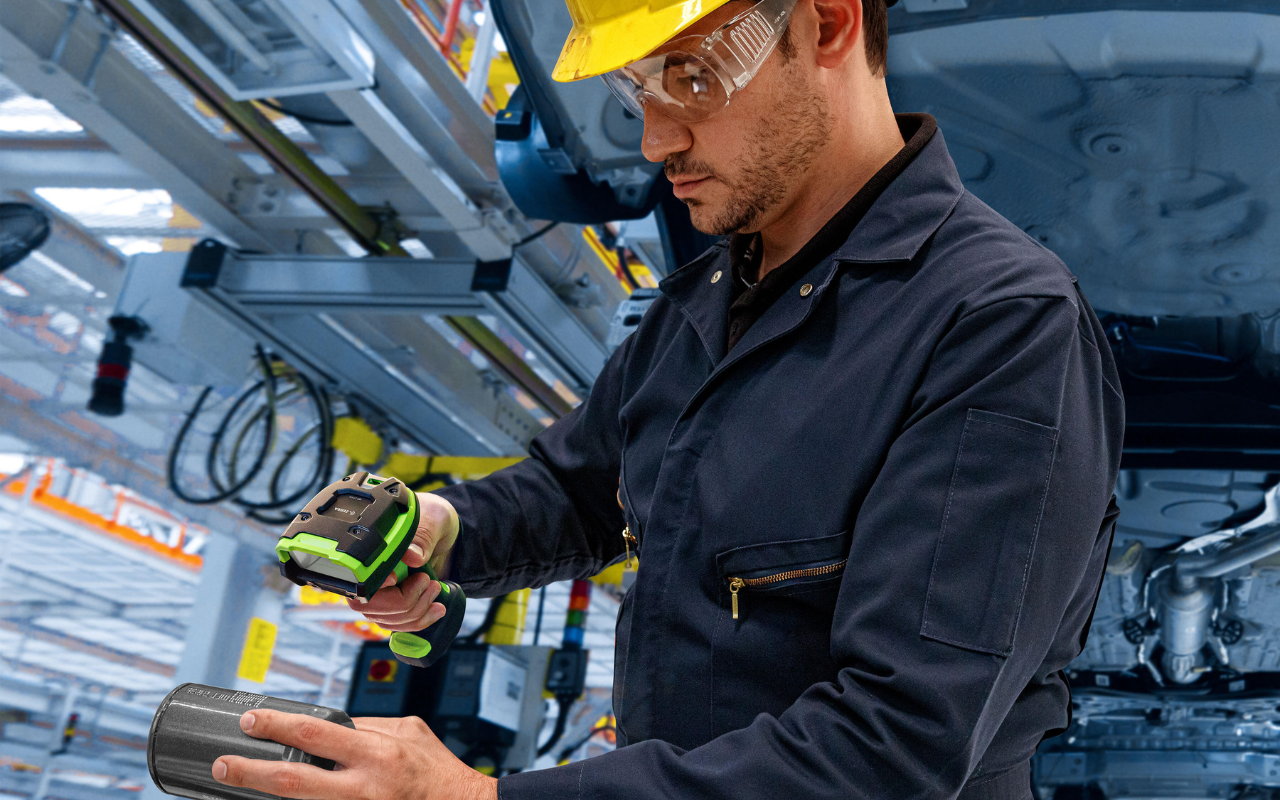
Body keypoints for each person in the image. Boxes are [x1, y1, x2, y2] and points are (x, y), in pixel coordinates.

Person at [211, 0, 1124, 797]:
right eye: (634, 92)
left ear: (829, 23)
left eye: (690, 77)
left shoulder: (998, 323)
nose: (655, 139)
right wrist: (439, 531)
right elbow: (580, 490)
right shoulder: (703, 300)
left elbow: (894, 746)